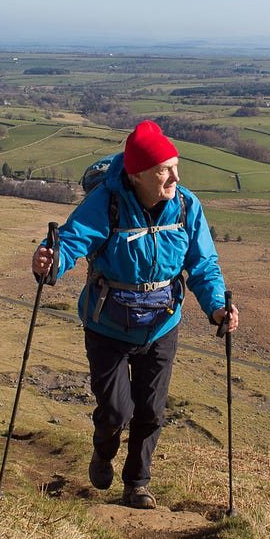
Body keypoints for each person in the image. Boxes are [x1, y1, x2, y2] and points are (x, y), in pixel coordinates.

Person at [31, 120, 238, 510]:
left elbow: (204, 264)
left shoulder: (187, 206)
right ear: (137, 174)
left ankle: (137, 484)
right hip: (108, 326)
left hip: (162, 324)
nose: (176, 176)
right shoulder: (106, 203)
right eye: (165, 169)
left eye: (176, 166)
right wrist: (50, 261)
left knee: (151, 412)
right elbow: (72, 241)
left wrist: (216, 308)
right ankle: (103, 450)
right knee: (115, 412)